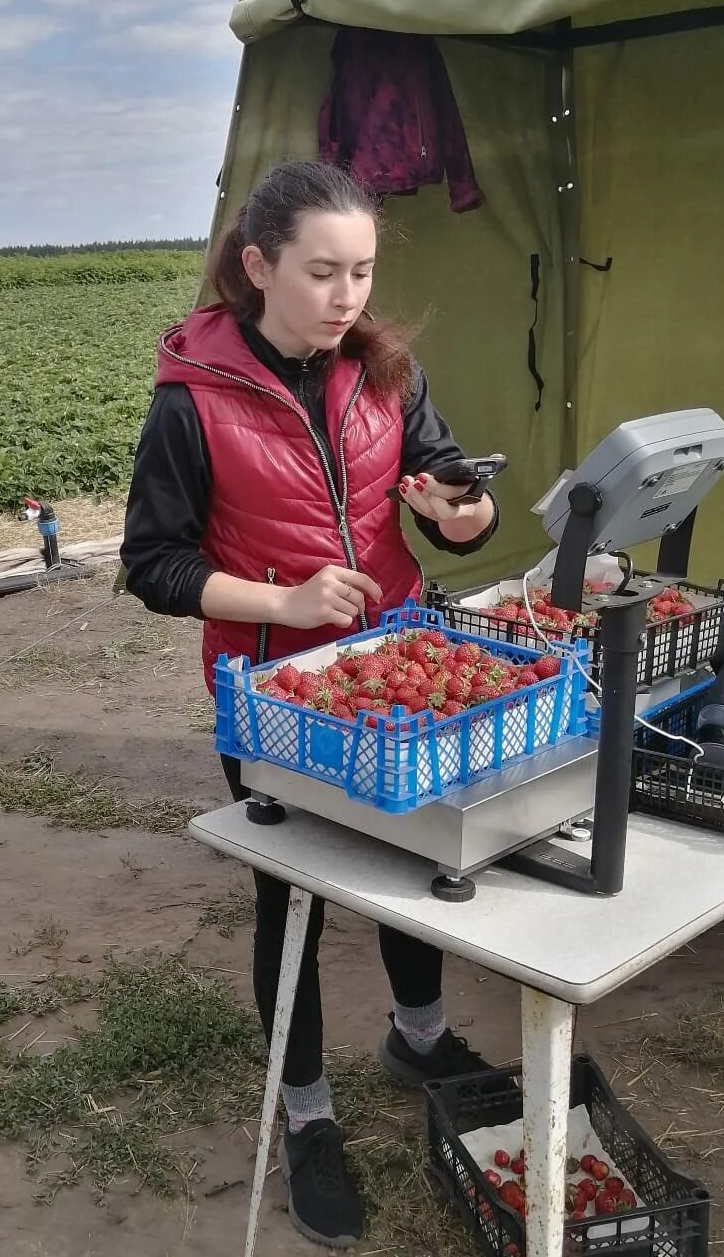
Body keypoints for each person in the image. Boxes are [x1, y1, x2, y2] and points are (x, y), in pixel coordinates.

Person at [121, 161, 502, 1249]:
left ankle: (420, 1039)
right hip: (275, 696)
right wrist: (283, 600)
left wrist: (460, 508)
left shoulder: (385, 370)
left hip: (390, 670)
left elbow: (451, 502)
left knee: (416, 859)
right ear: (257, 268)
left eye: (363, 272)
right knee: (294, 901)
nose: (347, 296)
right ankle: (307, 1115)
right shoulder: (192, 404)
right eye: (323, 272)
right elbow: (154, 565)